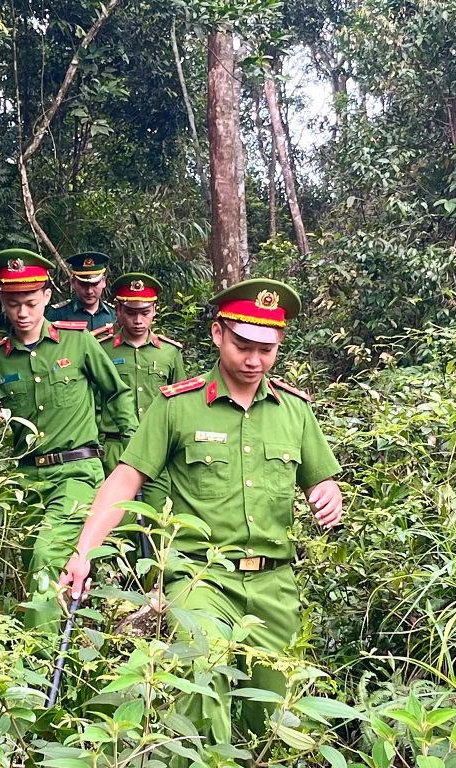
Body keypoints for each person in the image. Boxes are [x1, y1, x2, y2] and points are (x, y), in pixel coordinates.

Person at [59, 278, 343, 749]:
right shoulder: (178, 407)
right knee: (203, 674)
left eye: (267, 350)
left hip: (275, 587)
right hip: (201, 577)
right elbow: (124, 480)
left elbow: (320, 478)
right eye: (243, 346)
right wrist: (83, 552)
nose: (254, 361)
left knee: (268, 717)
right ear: (217, 334)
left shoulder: (294, 410)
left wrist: (328, 493)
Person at [0, 247, 138, 643]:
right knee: (35, 565)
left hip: (77, 470)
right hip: (26, 480)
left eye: (31, 302)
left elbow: (117, 394)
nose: (23, 312)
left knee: (44, 555)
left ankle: (34, 668)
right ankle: (72, 644)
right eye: (13, 303)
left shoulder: (79, 344)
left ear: (46, 298)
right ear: (2, 301)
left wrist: (128, 458)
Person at [98, 272, 186, 473]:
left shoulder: (169, 352)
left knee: (157, 503)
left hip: (158, 446)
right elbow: (93, 399)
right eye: (130, 312)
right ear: (118, 310)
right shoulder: (102, 350)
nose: (138, 320)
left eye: (144, 312)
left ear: (154, 310)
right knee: (115, 504)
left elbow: (181, 402)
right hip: (114, 447)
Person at [46, 251, 115, 331]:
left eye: (94, 284)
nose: (89, 291)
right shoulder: (57, 315)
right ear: (73, 282)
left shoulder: (114, 315)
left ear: (103, 282)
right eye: (83, 284)